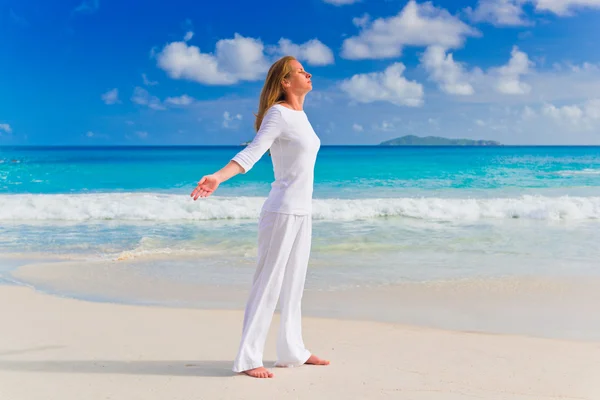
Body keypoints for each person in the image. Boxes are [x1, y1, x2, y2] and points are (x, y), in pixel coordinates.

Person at [190, 56, 330, 378]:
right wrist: (217, 177)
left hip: (301, 211)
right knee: (267, 284)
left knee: (294, 285)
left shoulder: (301, 116)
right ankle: (249, 357)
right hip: (281, 211)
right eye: (300, 71)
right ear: (285, 81)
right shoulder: (278, 114)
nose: (308, 74)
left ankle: (293, 350)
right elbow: (252, 152)